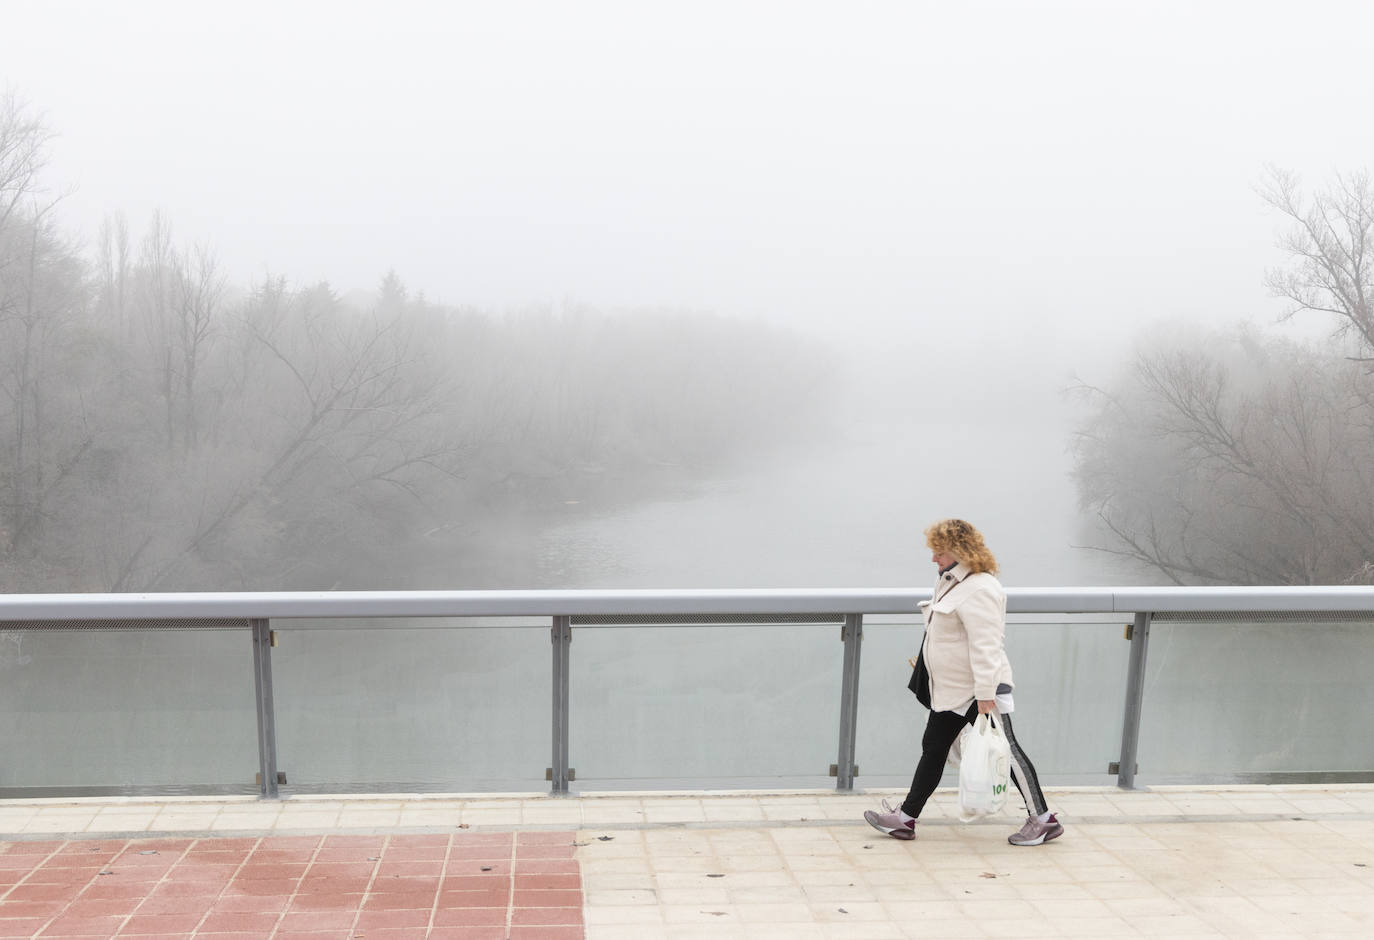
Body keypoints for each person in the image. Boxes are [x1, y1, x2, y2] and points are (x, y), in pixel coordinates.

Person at [864, 518, 1063, 846]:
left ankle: (1043, 820)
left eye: (938, 551)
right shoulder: (953, 581)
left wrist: (986, 694)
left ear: (959, 550)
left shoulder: (981, 588)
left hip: (976, 690)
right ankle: (905, 819)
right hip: (953, 689)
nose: (933, 558)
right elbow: (950, 636)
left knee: (1007, 750)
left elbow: (987, 646)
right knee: (934, 748)